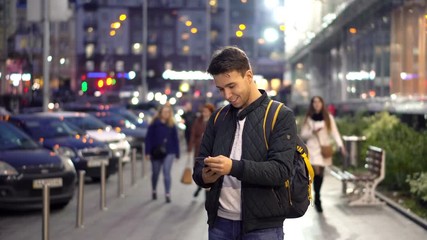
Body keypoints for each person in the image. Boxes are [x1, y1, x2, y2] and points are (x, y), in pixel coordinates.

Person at [192, 46, 297, 239]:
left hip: (263, 227)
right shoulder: (218, 118)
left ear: (248, 76)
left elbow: (280, 172)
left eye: (231, 86)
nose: (227, 96)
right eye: (221, 89)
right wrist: (205, 176)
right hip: (220, 224)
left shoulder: (279, 115)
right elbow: (199, 167)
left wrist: (233, 167)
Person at [300, 96, 347, 212]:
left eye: (319, 102)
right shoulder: (308, 119)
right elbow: (303, 135)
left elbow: (335, 133)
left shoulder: (328, 118)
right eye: (314, 102)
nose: (316, 104)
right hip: (312, 148)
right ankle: (317, 197)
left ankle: (317, 194)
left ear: (322, 103)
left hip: (323, 149)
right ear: (312, 104)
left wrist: (341, 146)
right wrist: (312, 131)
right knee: (316, 170)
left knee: (320, 172)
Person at [145, 104, 180, 203]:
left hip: (169, 151)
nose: (166, 114)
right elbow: (148, 139)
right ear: (160, 113)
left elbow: (175, 139)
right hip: (155, 152)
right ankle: (154, 190)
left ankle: (167, 193)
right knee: (155, 173)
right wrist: (147, 152)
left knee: (166, 172)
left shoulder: (172, 125)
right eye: (164, 112)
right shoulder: (154, 124)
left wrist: (177, 153)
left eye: (168, 112)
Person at [188, 103, 215, 198]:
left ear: (210, 112)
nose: (204, 113)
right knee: (198, 169)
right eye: (203, 111)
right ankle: (200, 187)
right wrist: (190, 147)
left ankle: (206, 194)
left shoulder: (214, 121)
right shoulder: (198, 121)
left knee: (208, 170)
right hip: (198, 149)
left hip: (210, 151)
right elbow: (193, 134)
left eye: (206, 111)